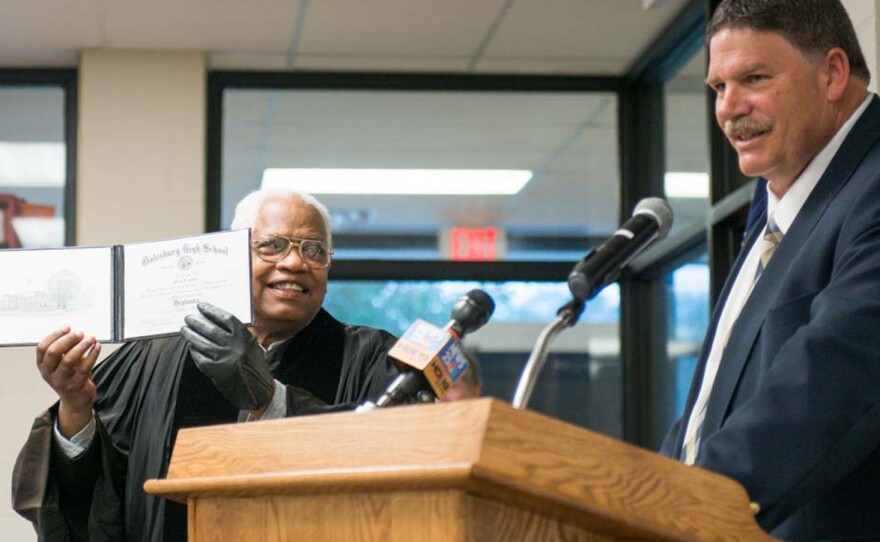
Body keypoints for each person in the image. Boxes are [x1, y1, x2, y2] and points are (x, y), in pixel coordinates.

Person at [12, 188, 403, 542]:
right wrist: (76, 406)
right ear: (233, 256)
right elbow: (95, 497)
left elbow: (396, 463)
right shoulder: (156, 354)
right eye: (272, 245)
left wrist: (271, 400)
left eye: (314, 250)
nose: (295, 262)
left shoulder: (370, 358)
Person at [660, 0, 880, 538]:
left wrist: (670, 511)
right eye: (718, 88)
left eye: (753, 78)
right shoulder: (774, 209)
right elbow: (712, 407)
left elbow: (830, 380)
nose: (729, 109)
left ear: (832, 73)